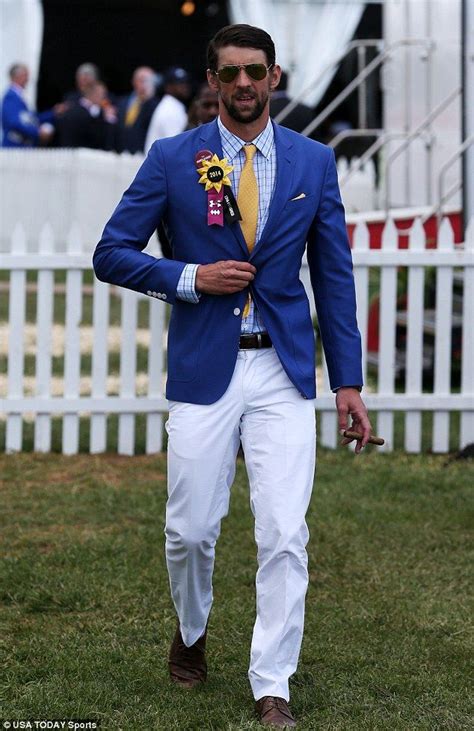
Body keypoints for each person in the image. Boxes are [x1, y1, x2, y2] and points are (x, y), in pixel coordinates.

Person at [93, 23, 371, 728]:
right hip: (203, 364)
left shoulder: (313, 163)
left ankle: (271, 681)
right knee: (191, 529)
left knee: (284, 531)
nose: (244, 83)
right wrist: (190, 275)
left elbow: (333, 277)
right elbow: (112, 252)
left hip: (282, 369)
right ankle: (190, 629)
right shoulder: (170, 158)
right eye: (230, 73)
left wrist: (348, 381)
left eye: (256, 71)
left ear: (275, 77)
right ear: (212, 81)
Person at [1, 63, 56, 147]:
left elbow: (32, 118)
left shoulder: (18, 97)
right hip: (14, 149)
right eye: (25, 75)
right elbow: (15, 122)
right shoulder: (11, 97)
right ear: (17, 77)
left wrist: (53, 112)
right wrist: (38, 132)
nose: (27, 79)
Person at [55, 82, 117, 150]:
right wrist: (109, 119)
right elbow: (99, 138)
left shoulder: (70, 108)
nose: (105, 98)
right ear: (95, 95)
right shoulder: (88, 116)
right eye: (103, 95)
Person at [144, 66, 191, 152]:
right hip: (159, 163)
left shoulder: (172, 105)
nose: (184, 86)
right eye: (179, 83)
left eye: (185, 83)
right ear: (168, 87)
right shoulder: (170, 110)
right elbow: (175, 147)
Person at [116, 66, 158, 153]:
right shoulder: (122, 101)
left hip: (141, 153)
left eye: (148, 81)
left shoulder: (156, 105)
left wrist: (148, 99)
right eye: (142, 80)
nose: (144, 84)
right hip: (120, 151)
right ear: (134, 81)